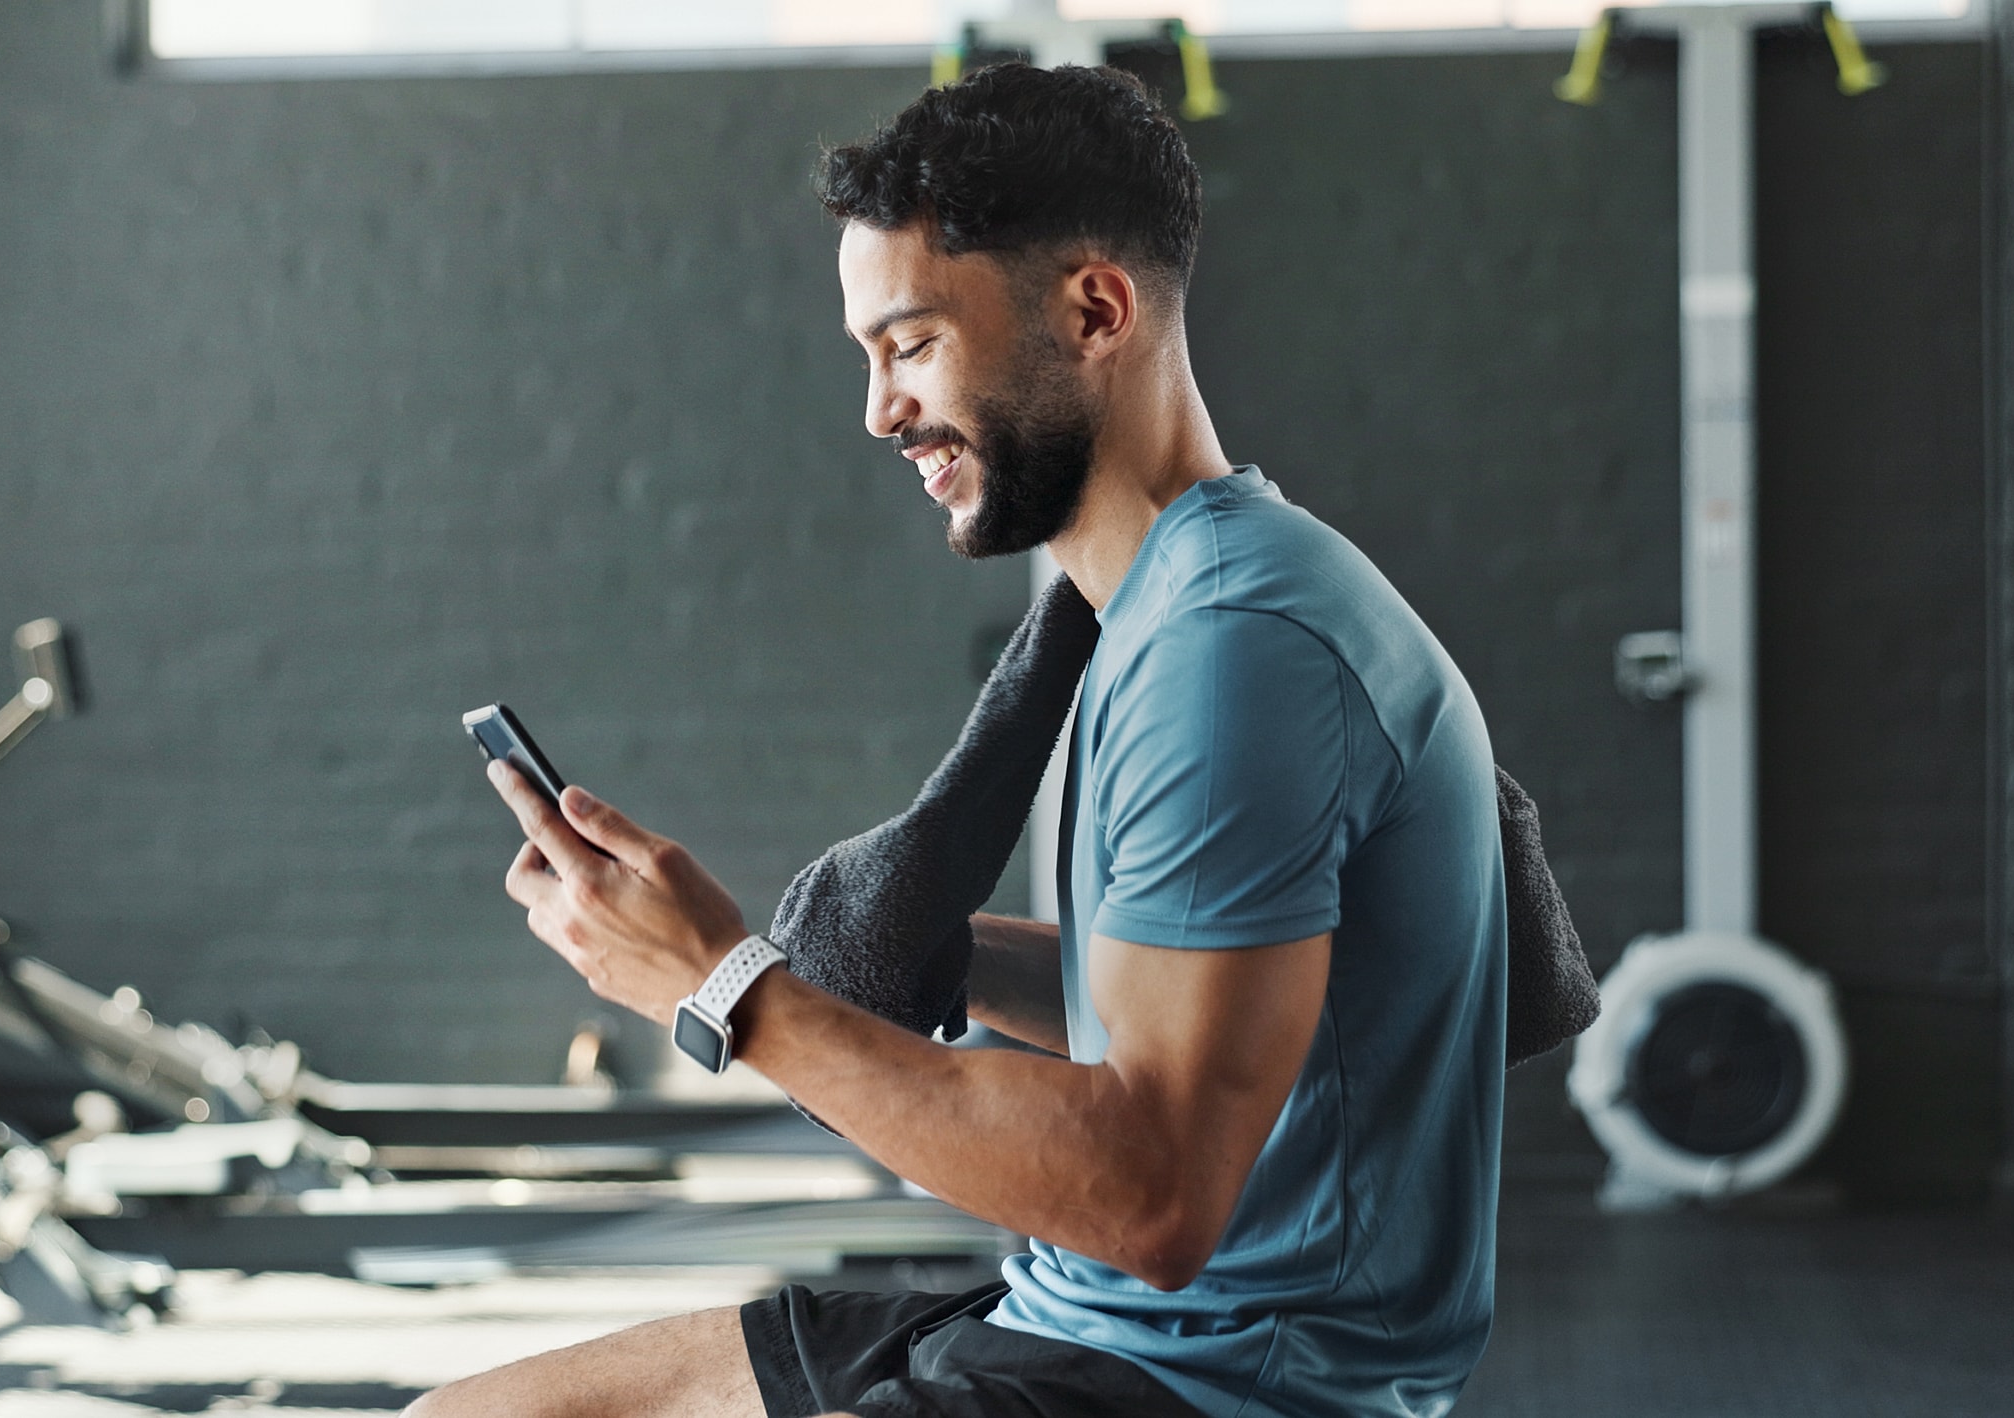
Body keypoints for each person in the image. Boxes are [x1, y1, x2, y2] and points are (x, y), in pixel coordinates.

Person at [410, 62, 1504, 1418]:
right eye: (869, 355)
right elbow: (1240, 1007)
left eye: (913, 343)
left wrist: (724, 984)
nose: (880, 411)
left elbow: (1156, 1192)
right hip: (1088, 1322)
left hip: (1198, 1381)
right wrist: (950, 951)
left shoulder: (1236, 646)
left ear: (1093, 309)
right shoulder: (1182, 599)